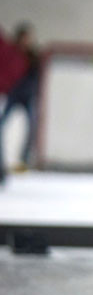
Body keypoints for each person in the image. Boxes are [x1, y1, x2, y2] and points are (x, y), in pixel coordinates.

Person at [0, 22, 40, 182]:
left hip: (25, 95)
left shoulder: (31, 55)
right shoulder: (13, 51)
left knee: (31, 125)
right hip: (12, 93)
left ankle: (23, 158)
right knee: (3, 126)